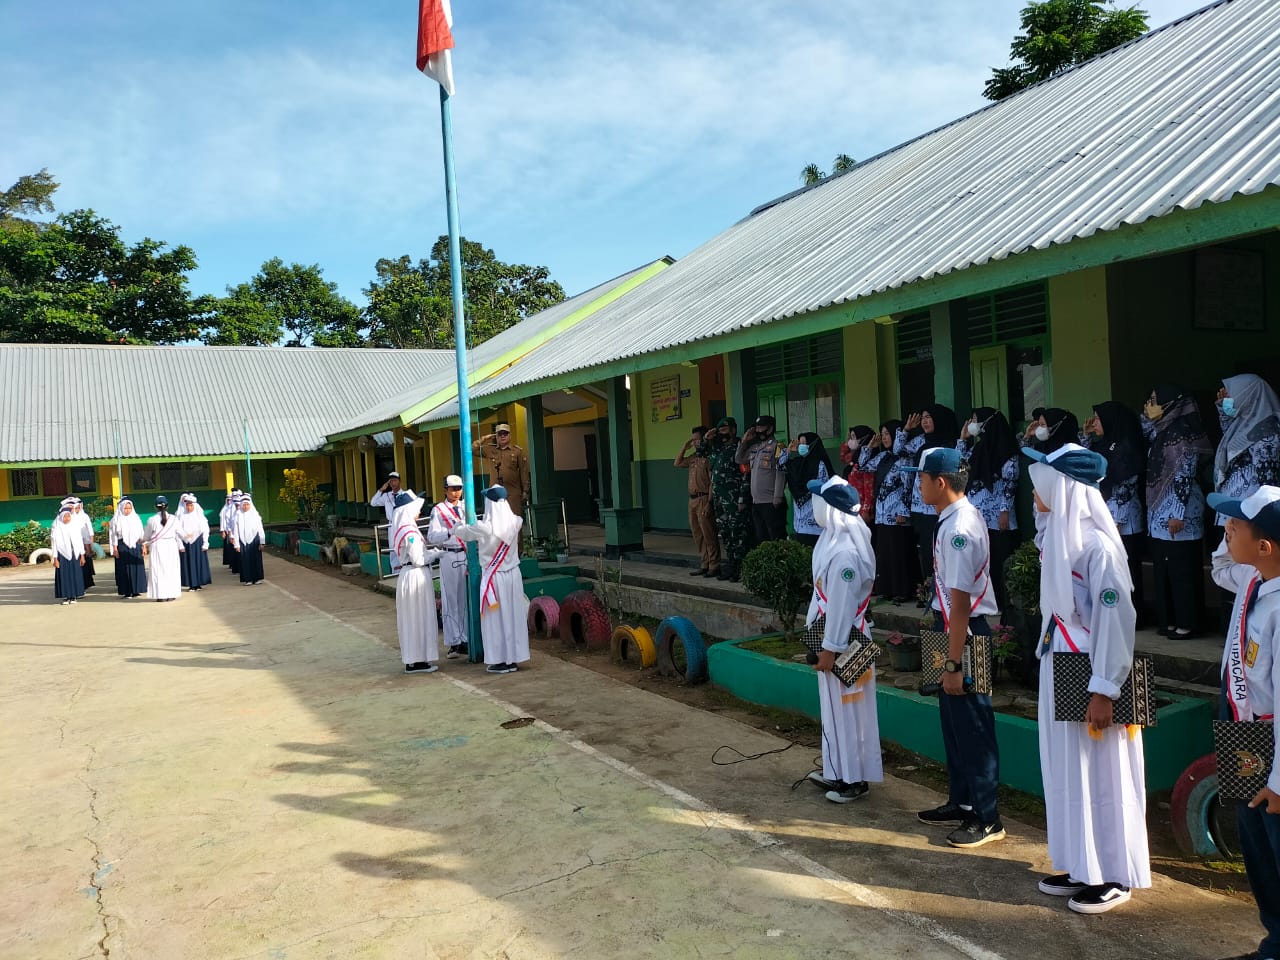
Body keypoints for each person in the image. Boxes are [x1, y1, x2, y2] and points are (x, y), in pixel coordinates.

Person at [1026, 443, 1150, 915]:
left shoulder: (1097, 548)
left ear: (1063, 489)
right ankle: (1081, 862)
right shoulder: (1060, 539)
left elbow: (1117, 621)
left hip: (1094, 674)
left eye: (1041, 485)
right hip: (1061, 663)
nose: (1034, 493)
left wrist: (1104, 688)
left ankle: (1113, 872)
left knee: (1104, 773)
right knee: (1067, 769)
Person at [905, 447, 1004, 848]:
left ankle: (987, 817)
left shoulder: (959, 530)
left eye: (922, 478)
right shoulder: (950, 519)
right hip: (948, 626)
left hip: (963, 632)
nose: (919, 485)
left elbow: (961, 603)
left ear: (940, 482)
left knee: (974, 725)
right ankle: (961, 802)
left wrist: (952, 662)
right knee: (953, 720)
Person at [1207, 485, 1280, 960]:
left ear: (1266, 546)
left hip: (1274, 747)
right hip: (1242, 728)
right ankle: (1275, 940)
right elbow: (1220, 566)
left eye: (1237, 526)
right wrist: (1233, 523)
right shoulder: (1251, 577)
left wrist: (1279, 782)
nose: (1226, 530)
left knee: (1277, 846)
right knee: (1257, 851)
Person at [802, 476, 883, 803]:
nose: (813, 505)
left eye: (818, 500)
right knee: (835, 709)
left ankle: (854, 780)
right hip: (834, 638)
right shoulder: (832, 541)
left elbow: (842, 607)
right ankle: (837, 770)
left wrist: (829, 649)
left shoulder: (845, 554)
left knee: (851, 711)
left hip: (846, 642)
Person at [1143, 384, 1213, 638]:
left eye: (1154, 400)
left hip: (1179, 511)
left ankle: (1187, 622)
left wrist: (1176, 512)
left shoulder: (1183, 434)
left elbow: (1184, 474)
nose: (1148, 405)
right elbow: (1141, 432)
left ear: (1170, 403)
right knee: (1166, 568)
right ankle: (1170, 620)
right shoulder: (1161, 430)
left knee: (1183, 569)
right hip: (1160, 511)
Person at [1083, 402, 1148, 623]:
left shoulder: (1126, 447)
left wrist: (1117, 521)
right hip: (1107, 517)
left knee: (1127, 568)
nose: (1094, 423)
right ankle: (1114, 613)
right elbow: (1087, 463)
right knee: (1110, 569)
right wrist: (1086, 437)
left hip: (1123, 519)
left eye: (1098, 419)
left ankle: (1132, 616)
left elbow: (1127, 486)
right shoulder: (1107, 445)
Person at [455, 486, 529, 674]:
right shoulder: (516, 522)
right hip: (513, 575)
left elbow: (461, 532)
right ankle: (513, 658)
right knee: (513, 617)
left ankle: (499, 660)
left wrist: (459, 519)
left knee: (495, 620)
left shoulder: (484, 528)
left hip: (494, 578)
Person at [958, 408, 1019, 615]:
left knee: (998, 559)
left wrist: (1005, 511)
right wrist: (963, 440)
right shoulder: (978, 448)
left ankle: (1001, 603)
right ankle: (981, 601)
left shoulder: (1006, 451)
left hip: (997, 516)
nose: (972, 423)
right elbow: (961, 468)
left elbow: (1011, 483)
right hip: (975, 514)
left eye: (976, 420)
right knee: (978, 560)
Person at [896, 404, 959, 585]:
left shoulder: (951, 442)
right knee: (925, 549)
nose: (924, 421)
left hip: (942, 506)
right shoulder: (920, 440)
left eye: (929, 417)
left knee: (943, 549)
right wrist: (907, 429)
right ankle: (928, 590)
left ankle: (944, 591)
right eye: (923, 418)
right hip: (920, 505)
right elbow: (898, 450)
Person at [392, 493, 444, 674]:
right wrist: (436, 554)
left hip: (408, 575)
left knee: (412, 618)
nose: (419, 511)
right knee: (418, 617)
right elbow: (418, 559)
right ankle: (417, 660)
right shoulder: (410, 531)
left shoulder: (402, 529)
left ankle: (415, 659)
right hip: (415, 576)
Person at [873, 420, 918, 603]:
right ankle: (887, 588)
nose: (884, 437)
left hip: (898, 513)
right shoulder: (883, 457)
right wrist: (870, 447)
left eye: (887, 433)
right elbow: (861, 465)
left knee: (899, 553)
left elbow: (907, 486)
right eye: (882, 434)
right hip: (881, 513)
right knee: (884, 553)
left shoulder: (905, 458)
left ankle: (903, 590)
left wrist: (903, 511)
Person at [427, 474, 471, 659]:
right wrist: (449, 532)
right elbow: (431, 536)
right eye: (452, 489)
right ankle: (454, 642)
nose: (456, 492)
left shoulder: (466, 507)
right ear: (445, 490)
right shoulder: (439, 510)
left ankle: (468, 638)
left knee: (466, 599)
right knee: (451, 600)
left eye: (459, 488)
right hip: (449, 554)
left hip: (466, 555)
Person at [704, 417, 751, 582]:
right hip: (720, 501)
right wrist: (706, 440)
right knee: (726, 536)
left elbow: (746, 474)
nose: (722, 434)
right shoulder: (718, 448)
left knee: (739, 535)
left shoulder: (741, 447)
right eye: (720, 431)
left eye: (725, 430)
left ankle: (741, 570)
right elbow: (704, 457)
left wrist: (742, 498)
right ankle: (731, 567)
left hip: (735, 500)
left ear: (733, 430)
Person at [675, 426, 721, 577]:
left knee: (708, 534)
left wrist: (709, 503)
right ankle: (704, 563)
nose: (694, 443)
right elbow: (677, 463)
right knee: (698, 534)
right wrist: (684, 446)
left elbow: (712, 482)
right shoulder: (694, 457)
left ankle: (714, 565)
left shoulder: (708, 458)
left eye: (696, 439)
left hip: (703, 498)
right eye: (693, 440)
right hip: (692, 500)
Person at [736, 415, 787, 544]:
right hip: (757, 501)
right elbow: (739, 459)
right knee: (761, 537)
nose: (758, 430)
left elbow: (780, 471)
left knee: (775, 537)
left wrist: (778, 496)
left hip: (771, 501)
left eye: (761, 427)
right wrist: (744, 441)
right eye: (757, 427)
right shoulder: (755, 448)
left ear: (770, 429)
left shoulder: (779, 447)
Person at [778, 432, 832, 547]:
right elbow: (781, 465)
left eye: (804, 443)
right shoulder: (798, 463)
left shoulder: (820, 464)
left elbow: (823, 488)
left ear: (812, 444)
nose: (801, 446)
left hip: (815, 519)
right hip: (799, 522)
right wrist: (788, 450)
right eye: (800, 443)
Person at [473, 423, 531, 517]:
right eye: (500, 434)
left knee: (514, 521)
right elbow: (472, 449)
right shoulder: (490, 449)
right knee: (497, 521)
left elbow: (524, 472)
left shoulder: (517, 451)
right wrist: (484, 438)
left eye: (505, 433)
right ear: (496, 436)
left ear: (510, 435)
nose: (503, 436)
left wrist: (525, 491)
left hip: (512, 493)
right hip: (495, 492)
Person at [371, 472, 415, 571]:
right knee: (393, 548)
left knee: (406, 545)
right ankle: (395, 573)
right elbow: (373, 503)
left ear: (400, 481)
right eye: (391, 481)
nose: (393, 483)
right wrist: (381, 490)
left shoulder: (406, 494)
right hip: (392, 525)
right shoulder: (386, 496)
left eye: (395, 480)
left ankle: (407, 569)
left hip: (403, 524)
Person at [143, 495, 182, 601]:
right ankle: (171, 593)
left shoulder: (152, 520)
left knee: (158, 571)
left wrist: (143, 541)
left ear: (155, 507)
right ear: (167, 506)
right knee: (171, 569)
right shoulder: (174, 519)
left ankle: (160, 595)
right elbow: (181, 533)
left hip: (158, 546)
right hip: (171, 546)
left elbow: (146, 536)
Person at [109, 496, 146, 598]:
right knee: (124, 569)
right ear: (121, 508)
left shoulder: (136, 518)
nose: (127, 510)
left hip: (135, 545)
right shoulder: (116, 519)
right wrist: (115, 549)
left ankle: (136, 590)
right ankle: (127, 591)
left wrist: (144, 546)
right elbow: (113, 535)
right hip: (122, 546)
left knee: (136, 568)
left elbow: (141, 533)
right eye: (125, 508)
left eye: (129, 508)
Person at [175, 493, 212, 592]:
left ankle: (198, 583)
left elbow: (205, 529)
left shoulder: (199, 516)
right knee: (189, 564)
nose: (189, 507)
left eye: (191, 505)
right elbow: (177, 531)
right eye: (187, 505)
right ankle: (192, 584)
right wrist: (180, 544)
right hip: (186, 543)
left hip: (198, 542)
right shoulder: (181, 516)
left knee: (198, 563)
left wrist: (205, 542)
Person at [51, 504, 86, 605]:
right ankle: (66, 597)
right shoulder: (57, 529)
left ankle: (74, 596)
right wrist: (55, 558)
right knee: (64, 576)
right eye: (65, 516)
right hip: (62, 555)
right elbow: (54, 544)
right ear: (61, 517)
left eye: (68, 516)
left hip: (75, 554)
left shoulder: (74, 527)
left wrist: (82, 555)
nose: (67, 518)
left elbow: (79, 542)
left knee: (75, 575)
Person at [844, 426, 878, 526]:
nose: (851, 440)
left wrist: (866, 510)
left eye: (854, 437)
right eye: (850, 437)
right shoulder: (855, 459)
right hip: (852, 509)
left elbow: (869, 487)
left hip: (862, 512)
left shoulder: (869, 462)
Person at [233, 493, 266, 585]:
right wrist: (236, 544)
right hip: (243, 541)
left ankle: (257, 578)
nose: (245, 506)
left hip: (255, 540)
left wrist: (262, 542)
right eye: (244, 504)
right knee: (245, 560)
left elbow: (260, 528)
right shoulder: (238, 515)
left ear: (250, 505)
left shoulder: (255, 515)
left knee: (256, 559)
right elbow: (236, 531)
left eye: (247, 504)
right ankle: (248, 579)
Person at [71, 498, 96, 590]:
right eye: (75, 508)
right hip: (74, 543)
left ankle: (87, 583)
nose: (77, 510)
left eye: (78, 508)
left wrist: (91, 542)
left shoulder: (84, 516)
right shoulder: (70, 517)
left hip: (85, 542)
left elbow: (90, 530)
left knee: (85, 562)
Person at [219, 491, 239, 570]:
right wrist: (223, 531)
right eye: (227, 500)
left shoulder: (233, 509)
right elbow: (222, 520)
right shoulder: (224, 509)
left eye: (230, 500)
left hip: (233, 532)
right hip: (227, 531)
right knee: (229, 549)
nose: (229, 501)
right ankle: (230, 563)